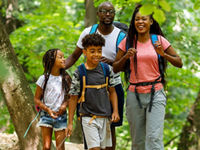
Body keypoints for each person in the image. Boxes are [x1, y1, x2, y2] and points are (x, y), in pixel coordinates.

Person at [113, 4, 183, 150]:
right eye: (137, 19)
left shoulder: (158, 40)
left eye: (144, 19)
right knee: (138, 141)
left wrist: (163, 54)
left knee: (154, 139)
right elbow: (115, 68)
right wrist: (126, 56)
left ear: (151, 21)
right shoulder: (127, 42)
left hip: (155, 93)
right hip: (134, 94)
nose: (140, 22)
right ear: (133, 22)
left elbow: (179, 62)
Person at [65, 2, 126, 149]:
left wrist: (110, 63)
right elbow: (74, 56)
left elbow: (124, 65)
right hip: (88, 83)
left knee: (110, 127)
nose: (107, 14)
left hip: (112, 84)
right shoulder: (88, 32)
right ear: (98, 14)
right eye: (103, 11)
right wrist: (56, 69)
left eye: (111, 11)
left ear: (114, 14)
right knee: (87, 121)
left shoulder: (121, 36)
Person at [34, 48, 71, 150]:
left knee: (60, 147)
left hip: (61, 116)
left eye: (64, 57)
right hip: (46, 115)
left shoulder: (66, 78)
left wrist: (64, 105)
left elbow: (71, 97)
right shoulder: (43, 78)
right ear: (51, 60)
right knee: (46, 147)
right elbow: (36, 99)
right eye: (60, 57)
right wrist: (47, 109)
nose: (64, 59)